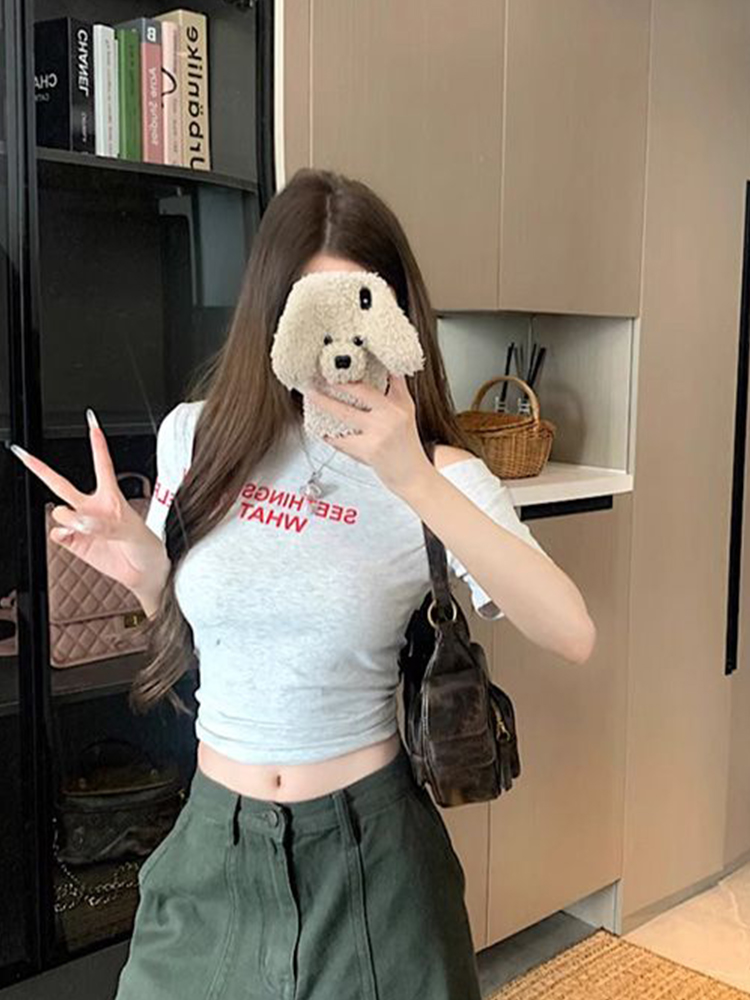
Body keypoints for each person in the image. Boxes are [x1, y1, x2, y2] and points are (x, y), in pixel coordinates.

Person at [8, 167, 596, 1000]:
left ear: (397, 320)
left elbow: (572, 632)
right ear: (270, 318)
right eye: (308, 312)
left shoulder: (440, 475)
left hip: (371, 859)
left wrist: (412, 478)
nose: (334, 347)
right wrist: (145, 569)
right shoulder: (198, 437)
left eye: (358, 308)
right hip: (214, 843)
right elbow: (207, 633)